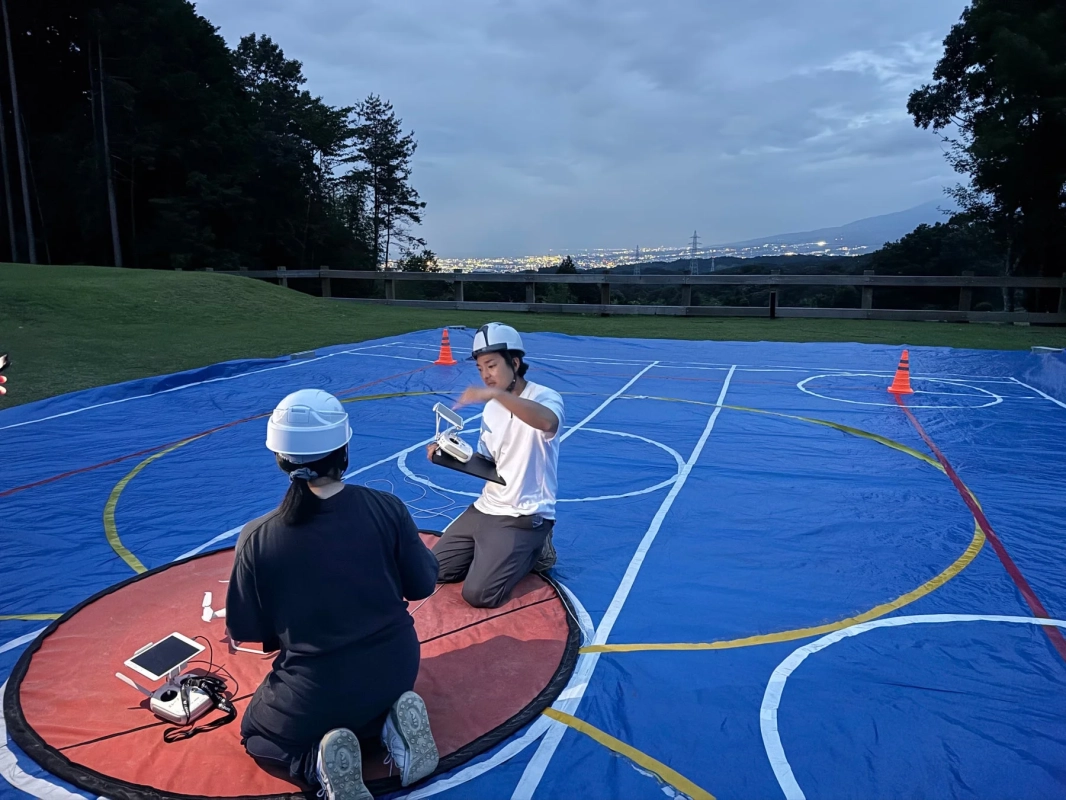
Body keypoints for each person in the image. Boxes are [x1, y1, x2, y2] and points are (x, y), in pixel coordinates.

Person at [226, 389, 440, 800]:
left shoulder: (258, 537)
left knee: (256, 735)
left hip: (316, 689)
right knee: (359, 694)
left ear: (281, 458)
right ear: (344, 450)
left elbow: (247, 627)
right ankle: (388, 727)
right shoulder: (387, 507)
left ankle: (314, 762)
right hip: (398, 666)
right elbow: (422, 584)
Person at [427, 323, 564, 609]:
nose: (485, 375)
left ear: (514, 363)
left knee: (479, 595)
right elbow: (488, 462)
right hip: (487, 506)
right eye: (480, 369)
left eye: (491, 365)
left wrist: (496, 395)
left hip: (524, 513)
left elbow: (547, 422)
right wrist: (448, 455)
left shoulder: (545, 397)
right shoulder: (492, 407)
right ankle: (495, 550)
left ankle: (537, 550)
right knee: (432, 570)